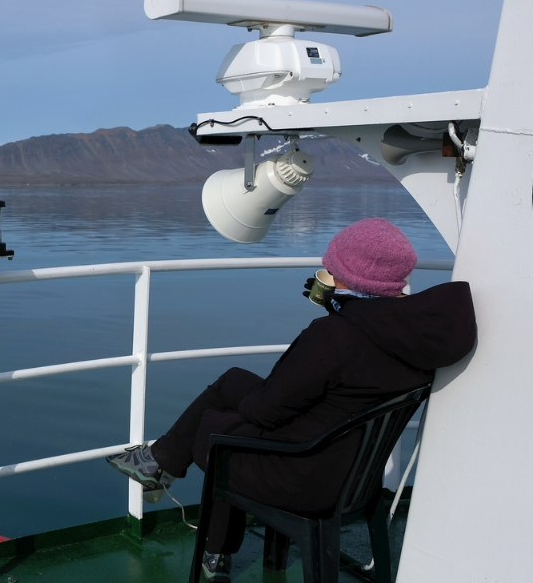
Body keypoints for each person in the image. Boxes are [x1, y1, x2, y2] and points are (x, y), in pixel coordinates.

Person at [106, 218, 476, 583]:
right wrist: (343, 311)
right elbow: (351, 373)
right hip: (355, 478)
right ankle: (159, 464)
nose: (329, 271)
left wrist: (331, 321)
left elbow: (265, 412)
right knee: (233, 384)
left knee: (216, 428)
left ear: (349, 275)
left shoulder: (334, 336)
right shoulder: (417, 338)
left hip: (303, 479)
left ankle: (200, 526)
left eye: (334, 267)